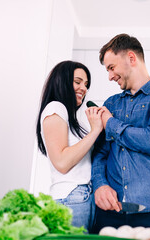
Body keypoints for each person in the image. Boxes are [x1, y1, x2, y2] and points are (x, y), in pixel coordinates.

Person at [91, 33, 150, 233]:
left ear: (131, 58)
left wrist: (111, 123)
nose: (109, 76)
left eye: (111, 67)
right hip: (112, 212)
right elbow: (100, 153)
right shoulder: (111, 103)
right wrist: (100, 184)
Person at [35, 60, 104, 233]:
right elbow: (62, 162)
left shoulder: (70, 115)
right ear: (62, 81)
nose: (84, 88)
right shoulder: (55, 107)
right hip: (71, 198)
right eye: (77, 82)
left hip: (81, 198)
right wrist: (95, 131)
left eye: (86, 84)